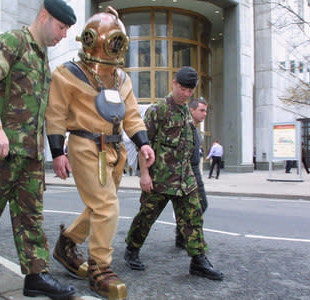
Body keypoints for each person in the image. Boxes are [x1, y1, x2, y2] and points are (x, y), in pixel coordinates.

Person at [0, 1, 77, 299]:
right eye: (61, 27)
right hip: (0, 150)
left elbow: (44, 112)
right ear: (45, 17)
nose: (63, 34)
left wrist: (56, 151)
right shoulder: (13, 41)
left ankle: (36, 276)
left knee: (31, 216)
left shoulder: (42, 60)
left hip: (31, 155)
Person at [45, 7, 155, 299]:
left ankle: (66, 244)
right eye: (111, 41)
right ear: (91, 40)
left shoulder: (120, 79)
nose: (115, 49)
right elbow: (55, 115)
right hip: (85, 145)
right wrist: (58, 152)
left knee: (100, 206)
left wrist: (143, 142)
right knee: (107, 206)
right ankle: (100, 269)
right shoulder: (67, 74)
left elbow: (131, 115)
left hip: (114, 148)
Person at [124, 66, 224, 281]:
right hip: (159, 179)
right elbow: (143, 145)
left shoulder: (187, 112)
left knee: (193, 218)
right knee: (146, 217)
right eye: (183, 89)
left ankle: (198, 260)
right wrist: (144, 175)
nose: (186, 94)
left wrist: (193, 176)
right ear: (174, 84)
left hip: (184, 180)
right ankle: (132, 249)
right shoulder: (158, 110)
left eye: (190, 91)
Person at [175, 97, 209, 249]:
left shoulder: (195, 128)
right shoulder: (184, 125)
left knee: (198, 204)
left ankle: (183, 236)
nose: (205, 114)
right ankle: (186, 237)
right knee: (197, 204)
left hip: (194, 169)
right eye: (202, 110)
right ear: (192, 110)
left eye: (206, 111)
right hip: (185, 169)